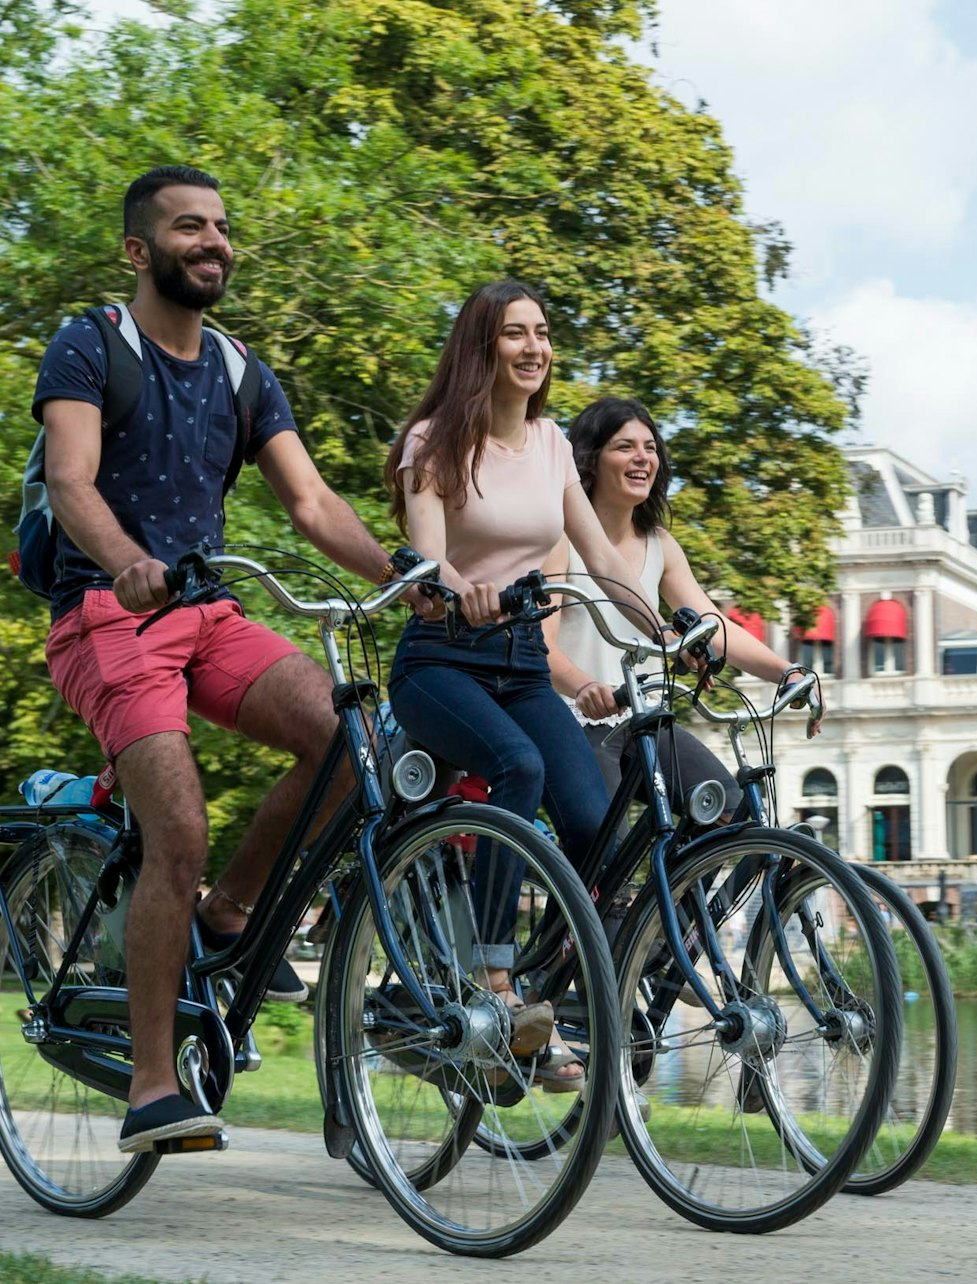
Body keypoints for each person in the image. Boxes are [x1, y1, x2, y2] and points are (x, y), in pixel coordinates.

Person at [34, 166, 417, 1152]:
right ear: (139, 251)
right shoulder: (91, 344)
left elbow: (313, 504)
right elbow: (72, 481)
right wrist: (124, 563)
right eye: (188, 227)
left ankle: (233, 916)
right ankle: (153, 1088)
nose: (213, 242)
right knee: (182, 829)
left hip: (208, 617)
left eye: (221, 228)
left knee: (348, 734)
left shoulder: (242, 371)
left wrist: (409, 576)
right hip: (106, 615)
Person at [385, 280, 653, 1090]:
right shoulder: (433, 444)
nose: (534, 347)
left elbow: (604, 560)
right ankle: (491, 979)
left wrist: (670, 628)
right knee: (520, 768)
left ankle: (546, 1003)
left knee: (592, 817)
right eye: (515, 334)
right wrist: (454, 582)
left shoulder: (549, 447)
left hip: (522, 668)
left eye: (542, 332)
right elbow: (427, 555)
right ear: (482, 347)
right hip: (441, 660)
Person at [542, 396, 823, 817]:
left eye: (650, 447)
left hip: (647, 721)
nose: (642, 458)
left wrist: (787, 672)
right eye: (625, 447)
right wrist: (585, 687)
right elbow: (541, 647)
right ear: (590, 460)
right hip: (575, 722)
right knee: (605, 849)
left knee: (738, 814)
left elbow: (713, 625)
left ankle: (687, 884)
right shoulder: (558, 540)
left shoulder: (659, 544)